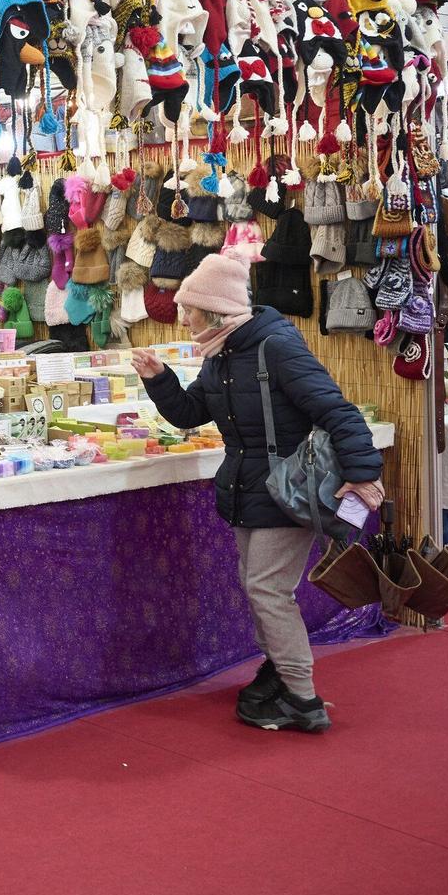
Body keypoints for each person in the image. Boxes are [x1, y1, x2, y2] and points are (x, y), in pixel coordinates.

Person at [132, 252, 385, 735]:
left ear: (214, 310)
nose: (183, 318)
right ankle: (278, 671)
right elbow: (190, 413)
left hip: (286, 489)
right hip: (247, 487)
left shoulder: (276, 346)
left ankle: (301, 698)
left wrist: (362, 472)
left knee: (268, 590)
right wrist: (159, 380)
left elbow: (337, 410)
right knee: (258, 587)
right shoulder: (221, 352)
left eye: (189, 309)